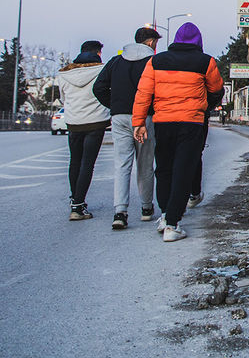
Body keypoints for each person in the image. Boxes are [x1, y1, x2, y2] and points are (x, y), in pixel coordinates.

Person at [132, 22, 224, 242]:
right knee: (183, 169)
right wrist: (205, 106)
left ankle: (165, 215)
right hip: (191, 122)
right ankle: (173, 224)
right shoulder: (205, 62)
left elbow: (144, 93)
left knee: (163, 168)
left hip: (163, 121)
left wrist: (139, 122)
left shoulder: (157, 60)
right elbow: (216, 89)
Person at [93, 27, 161, 230]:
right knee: (145, 163)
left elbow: (98, 88)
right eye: (155, 44)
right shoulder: (153, 63)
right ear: (150, 43)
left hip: (120, 117)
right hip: (146, 118)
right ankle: (146, 208)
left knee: (122, 164)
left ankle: (120, 212)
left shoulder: (115, 61)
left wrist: (115, 106)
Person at [58, 42, 111, 220]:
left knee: (75, 161)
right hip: (96, 122)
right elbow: (104, 91)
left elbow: (62, 98)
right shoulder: (101, 70)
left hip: (73, 122)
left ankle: (75, 200)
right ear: (98, 52)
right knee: (88, 163)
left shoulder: (64, 73)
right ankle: (78, 205)